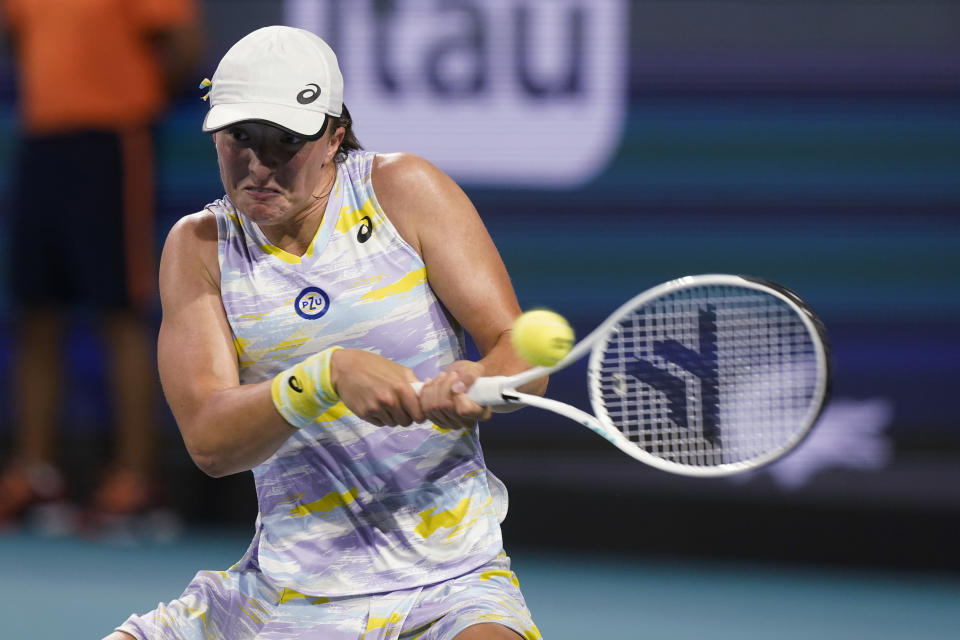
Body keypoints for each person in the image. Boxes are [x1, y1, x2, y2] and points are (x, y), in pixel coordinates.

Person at [105, 25, 547, 640]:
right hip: (284, 592)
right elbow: (209, 441)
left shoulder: (403, 190)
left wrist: (480, 379)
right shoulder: (199, 247)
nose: (257, 165)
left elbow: (519, 345)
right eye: (240, 138)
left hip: (451, 586)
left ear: (334, 137)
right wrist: (324, 376)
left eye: (286, 141)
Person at [0, 0, 202, 531]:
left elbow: (183, 47)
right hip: (42, 141)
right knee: (35, 309)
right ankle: (37, 476)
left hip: (112, 142)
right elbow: (18, 39)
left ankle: (137, 480)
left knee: (119, 309)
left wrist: (128, 94)